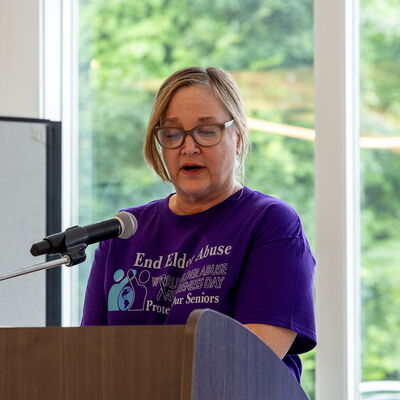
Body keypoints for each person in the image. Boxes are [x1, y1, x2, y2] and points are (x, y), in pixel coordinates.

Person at [81, 66, 316, 382]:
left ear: (238, 138)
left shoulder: (270, 223)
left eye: (207, 131)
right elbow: (89, 358)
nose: (188, 147)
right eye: (173, 133)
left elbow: (253, 359)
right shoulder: (123, 230)